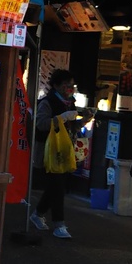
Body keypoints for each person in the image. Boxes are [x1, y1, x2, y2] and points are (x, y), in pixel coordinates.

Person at [31, 69, 93, 239]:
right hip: (49, 151)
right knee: (57, 187)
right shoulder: (47, 103)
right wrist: (62, 118)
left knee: (55, 187)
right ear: (56, 85)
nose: (70, 89)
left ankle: (38, 214)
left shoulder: (69, 103)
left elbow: (72, 128)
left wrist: (84, 121)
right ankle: (59, 224)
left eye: (72, 85)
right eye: (66, 85)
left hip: (64, 151)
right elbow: (41, 124)